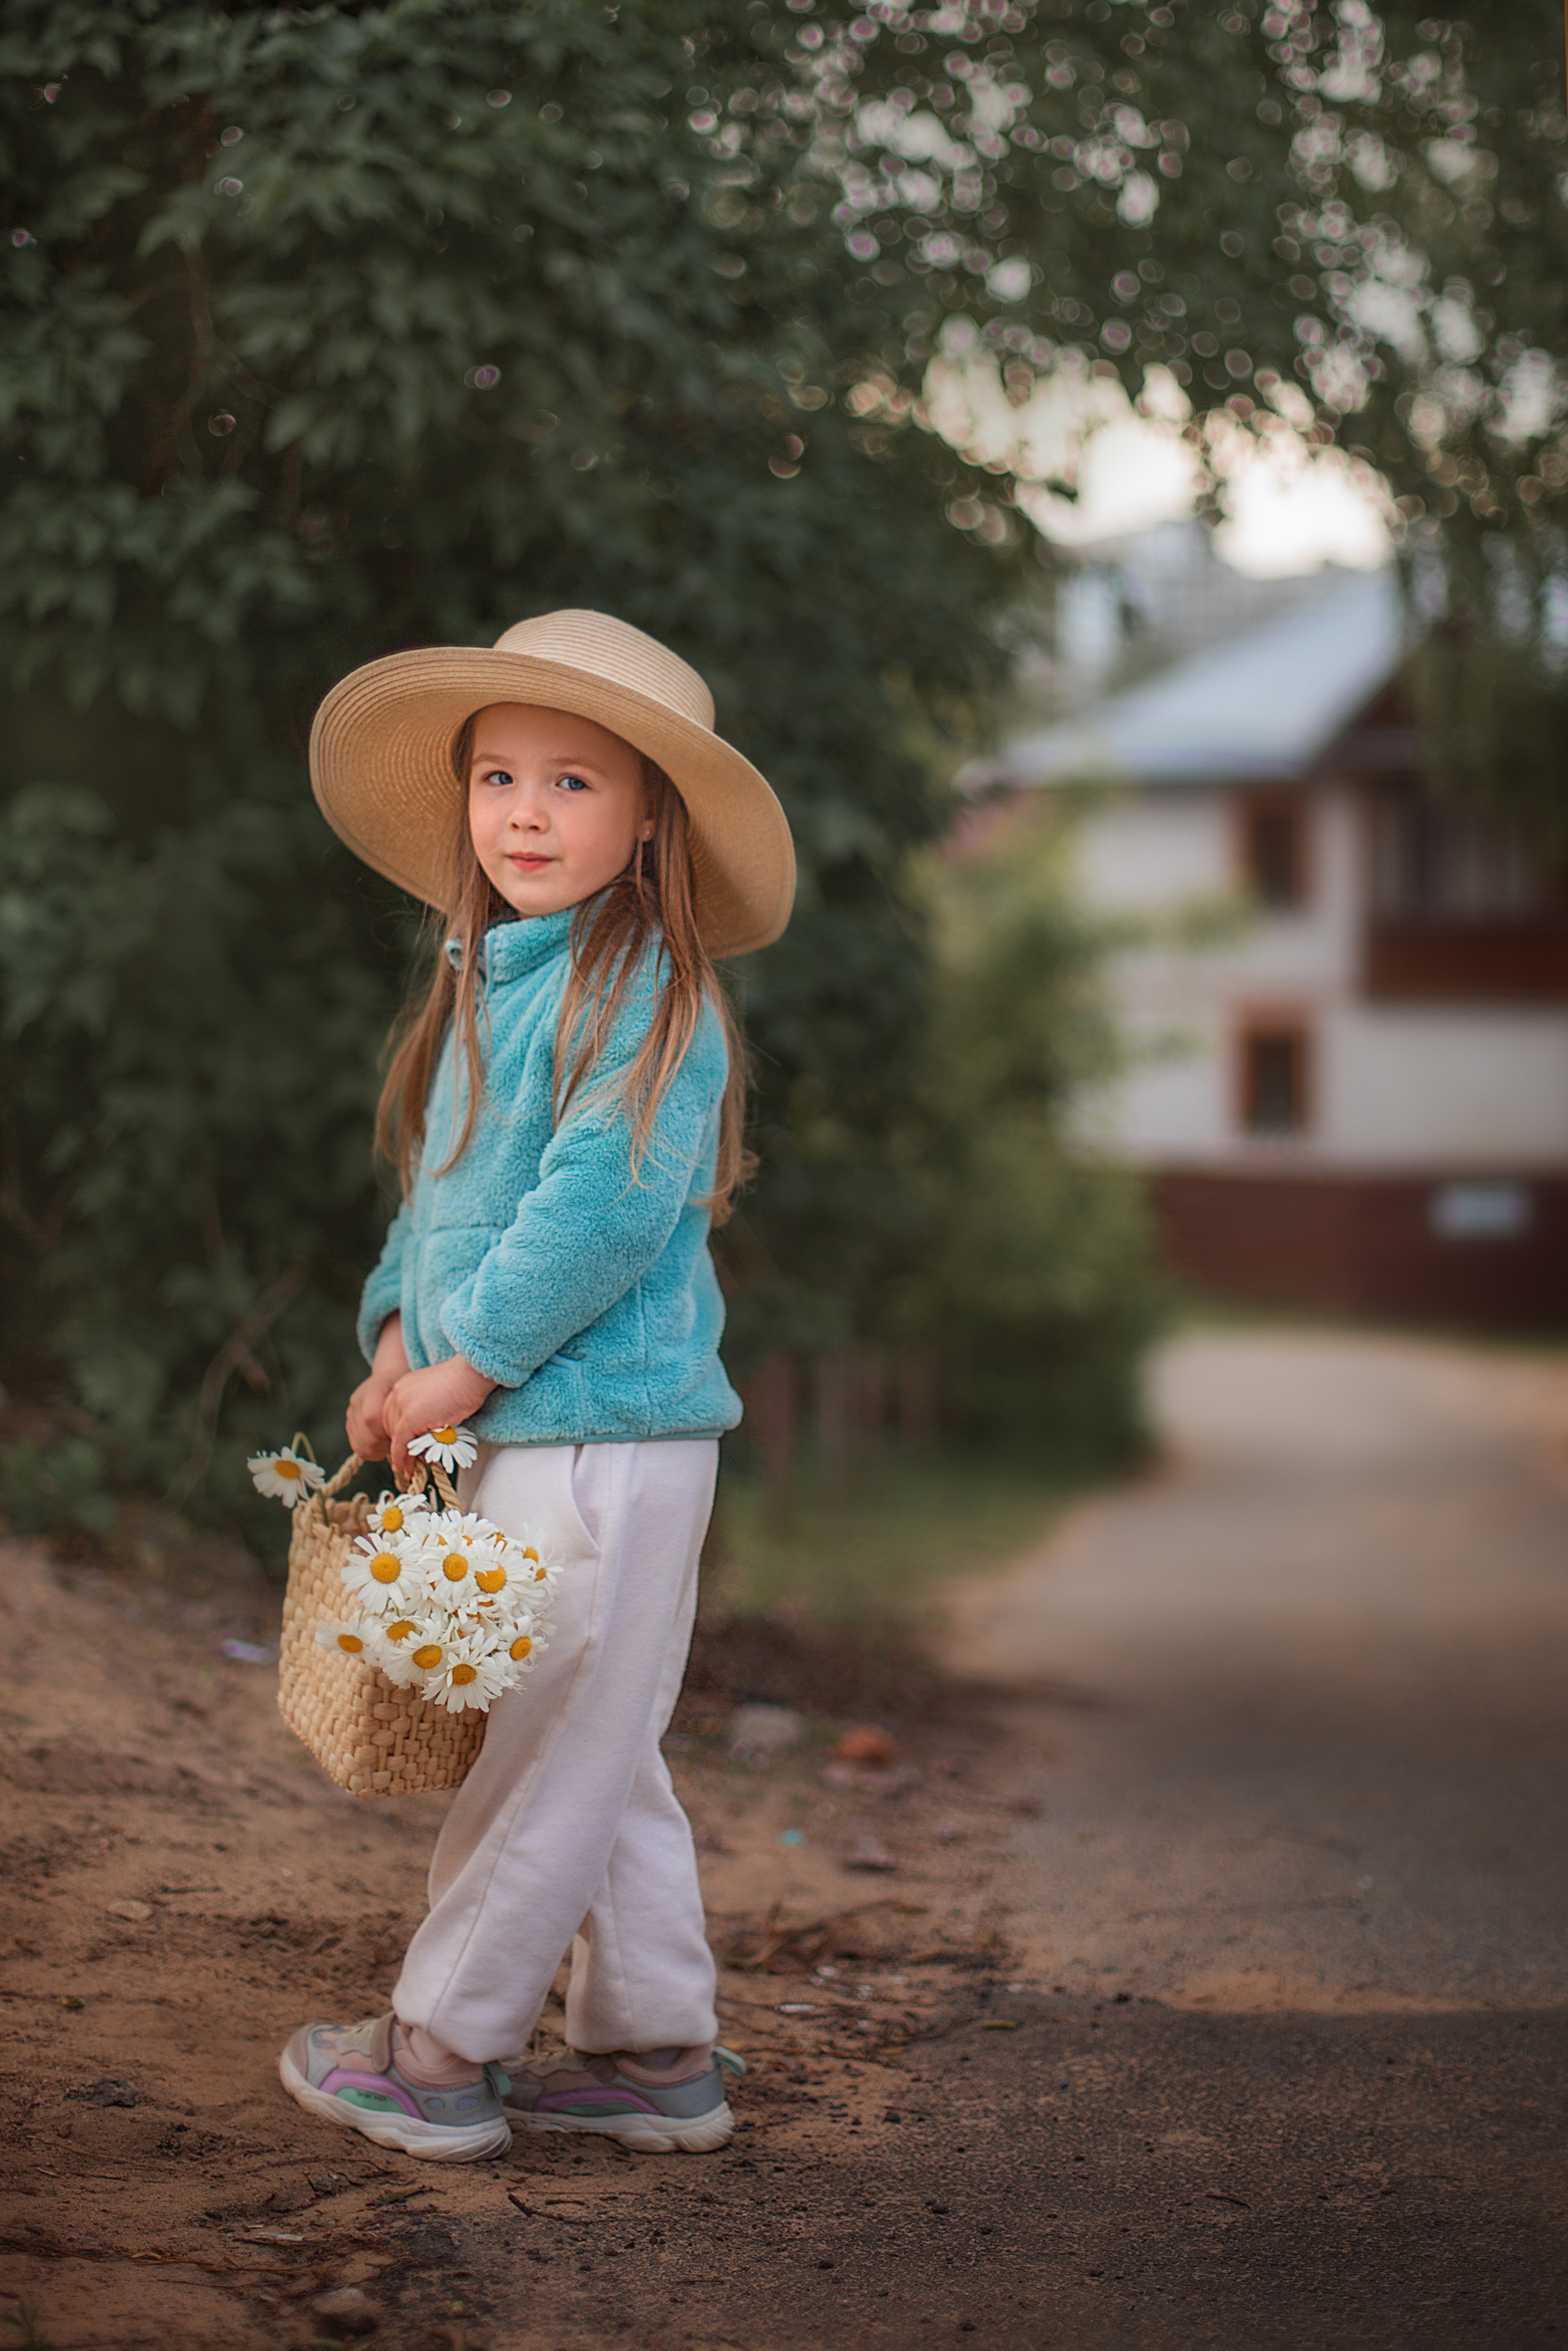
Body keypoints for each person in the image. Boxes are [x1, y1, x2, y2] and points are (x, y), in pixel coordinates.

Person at [277, 610, 794, 2162]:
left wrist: (466, 1364)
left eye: (573, 781)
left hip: (603, 1444)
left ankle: (441, 2048)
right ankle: (653, 2047)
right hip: (520, 1425)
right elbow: (428, 1204)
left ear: (650, 822)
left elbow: (602, 1208)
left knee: (541, 1748)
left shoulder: (646, 989)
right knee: (596, 1735)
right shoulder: (485, 981)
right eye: (498, 774)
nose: (522, 810)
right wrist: (394, 1345)